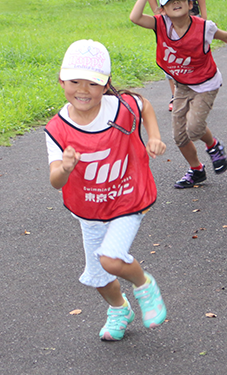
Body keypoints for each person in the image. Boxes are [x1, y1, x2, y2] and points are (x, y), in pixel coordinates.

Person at [45, 39, 168, 341]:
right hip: (91, 208)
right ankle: (119, 309)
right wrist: (66, 167)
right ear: (62, 80)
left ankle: (144, 286)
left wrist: (154, 136)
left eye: (93, 83)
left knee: (111, 259)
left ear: (106, 84)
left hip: (127, 197)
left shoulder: (121, 107)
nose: (83, 90)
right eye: (75, 81)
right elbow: (55, 181)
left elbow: (146, 105)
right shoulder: (57, 129)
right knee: (99, 277)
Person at [130, 0, 227, 188]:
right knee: (179, 137)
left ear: (190, 4)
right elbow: (134, 17)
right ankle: (196, 170)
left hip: (206, 83)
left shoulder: (204, 27)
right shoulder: (160, 24)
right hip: (182, 85)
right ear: (162, 10)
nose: (176, 3)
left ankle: (213, 145)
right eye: (170, 1)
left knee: (195, 129)